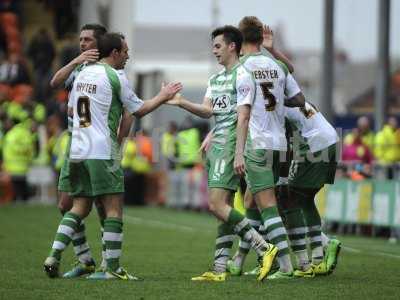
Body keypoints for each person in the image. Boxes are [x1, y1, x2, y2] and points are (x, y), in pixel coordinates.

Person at [43, 32, 182, 280]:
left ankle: (54, 254)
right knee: (114, 208)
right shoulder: (115, 76)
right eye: (125, 52)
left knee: (78, 206)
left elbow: (73, 111)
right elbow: (139, 110)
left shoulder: (82, 75)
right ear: (115, 53)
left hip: (76, 149)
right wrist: (164, 95)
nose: (128, 56)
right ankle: (113, 269)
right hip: (100, 149)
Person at [167, 25, 277, 282]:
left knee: (215, 204)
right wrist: (181, 102)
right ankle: (219, 269)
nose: (214, 51)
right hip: (219, 143)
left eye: (217, 46)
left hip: (230, 144)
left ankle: (264, 247)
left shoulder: (243, 75)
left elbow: (243, 116)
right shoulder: (216, 79)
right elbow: (208, 111)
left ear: (232, 46)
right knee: (224, 206)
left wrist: (238, 153)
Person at [230, 16, 305, 280]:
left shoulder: (241, 68)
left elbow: (243, 115)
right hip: (280, 144)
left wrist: (238, 152)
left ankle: (286, 266)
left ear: (239, 40)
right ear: (262, 38)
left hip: (257, 145)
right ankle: (239, 260)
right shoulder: (279, 66)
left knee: (268, 205)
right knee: (251, 200)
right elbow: (299, 98)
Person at [49, 23, 108, 278]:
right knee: (65, 203)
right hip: (75, 142)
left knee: (104, 206)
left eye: (87, 40)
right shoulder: (79, 68)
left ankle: (109, 263)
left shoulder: (106, 71)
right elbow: (55, 82)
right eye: (81, 39)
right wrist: (76, 60)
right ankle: (85, 260)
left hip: (96, 143)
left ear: (99, 43)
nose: (82, 43)